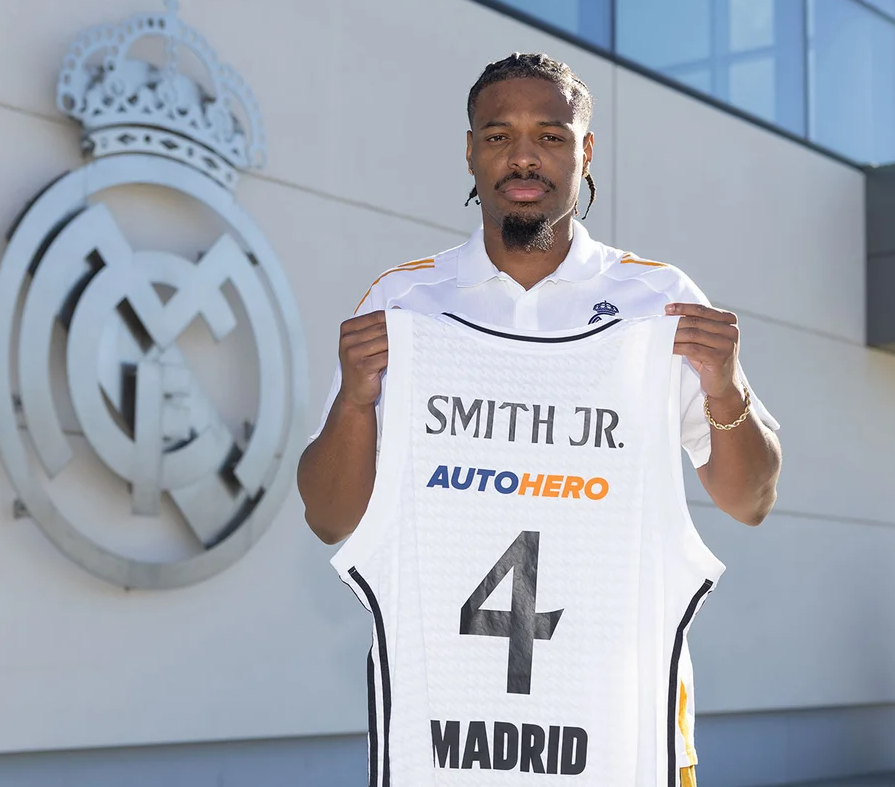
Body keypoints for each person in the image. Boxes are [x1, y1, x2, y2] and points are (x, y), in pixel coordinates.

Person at [298, 53, 782, 784]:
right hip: (447, 733)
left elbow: (751, 501)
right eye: (498, 136)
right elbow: (331, 520)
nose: (524, 155)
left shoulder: (657, 302)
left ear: (586, 151)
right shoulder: (403, 305)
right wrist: (355, 398)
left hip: (622, 729)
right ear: (470, 152)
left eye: (551, 136)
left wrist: (725, 384)